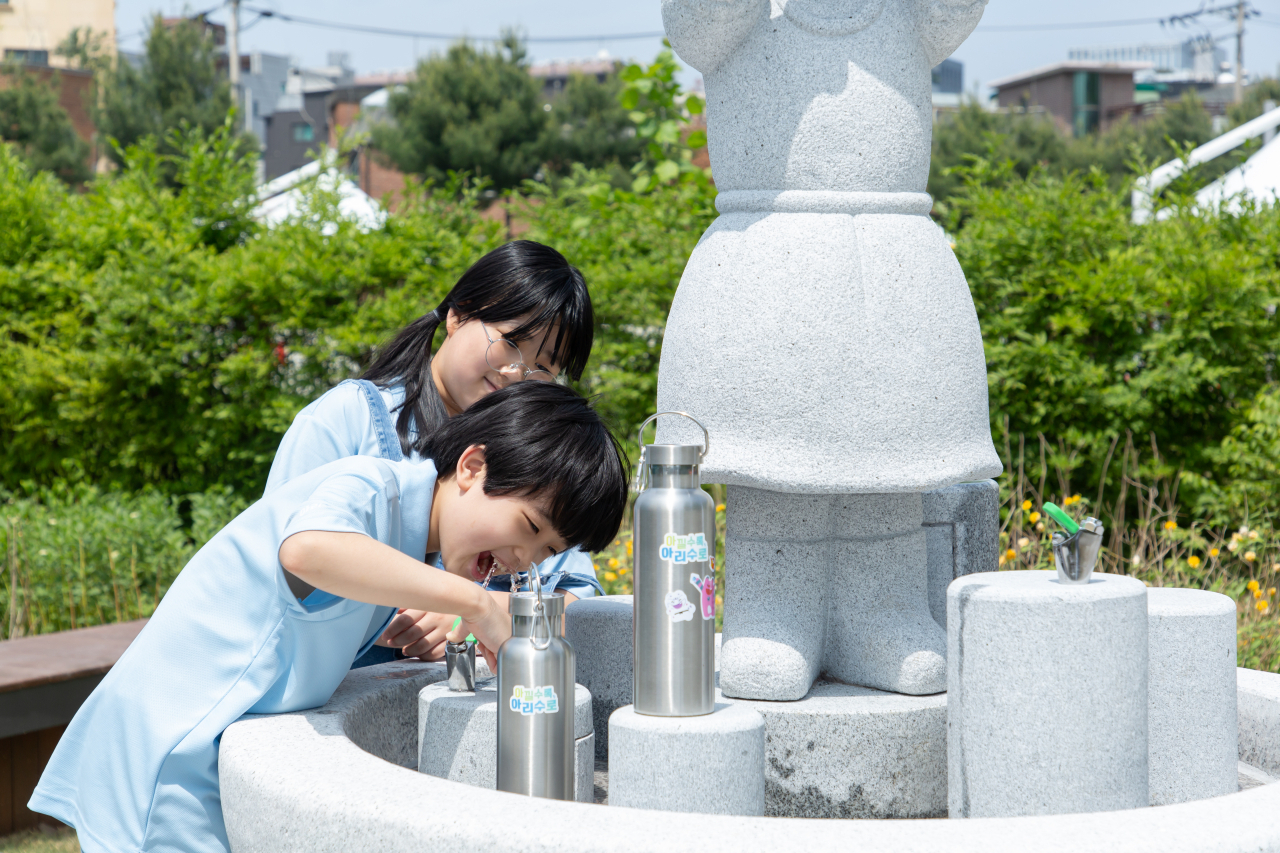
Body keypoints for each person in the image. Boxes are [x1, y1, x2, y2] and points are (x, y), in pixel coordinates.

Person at [30, 383, 628, 853]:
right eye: (527, 528)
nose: (524, 559)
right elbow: (308, 550)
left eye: (548, 551)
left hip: (204, 751)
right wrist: (469, 601)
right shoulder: (371, 486)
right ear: (471, 466)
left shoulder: (411, 537)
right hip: (168, 758)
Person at [264, 240, 601, 664]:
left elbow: (579, 606)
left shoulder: (533, 456)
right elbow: (284, 568)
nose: (519, 373)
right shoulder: (348, 418)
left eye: (544, 368)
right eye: (511, 342)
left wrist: (486, 615)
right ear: (458, 315)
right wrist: (462, 600)